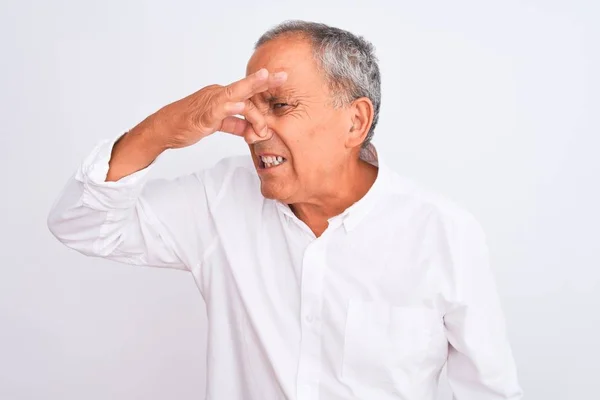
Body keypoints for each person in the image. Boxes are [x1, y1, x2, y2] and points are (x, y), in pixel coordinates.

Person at [47, 20, 523, 400]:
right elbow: (81, 223)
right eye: (250, 107)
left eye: (278, 105)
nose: (254, 128)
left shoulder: (442, 233)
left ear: (355, 121)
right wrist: (163, 130)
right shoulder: (219, 199)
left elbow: (489, 391)